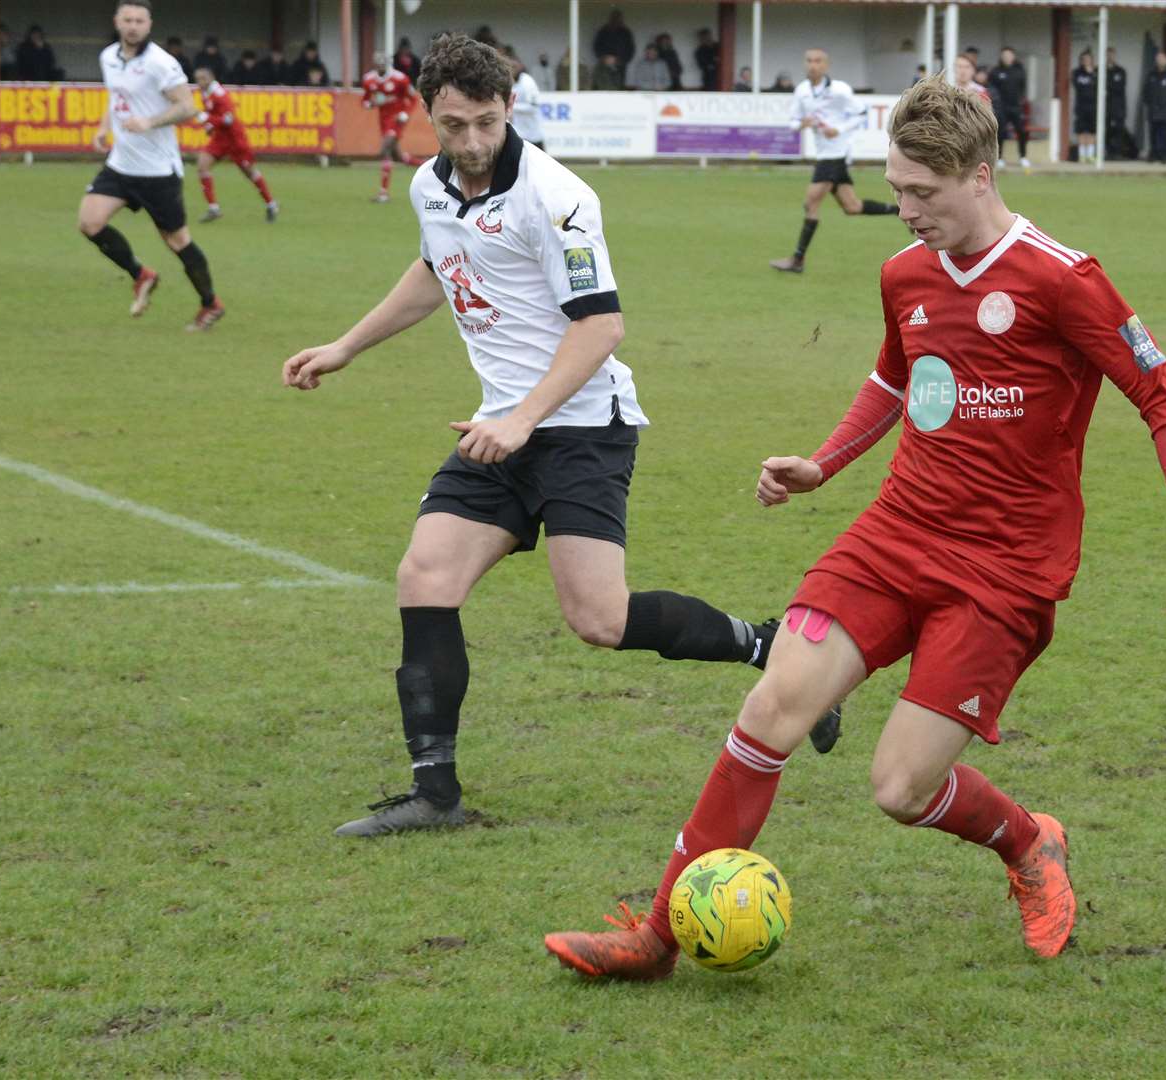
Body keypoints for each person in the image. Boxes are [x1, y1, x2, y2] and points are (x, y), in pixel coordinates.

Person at [544, 74, 1166, 982]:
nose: (904, 211)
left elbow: (1163, 393)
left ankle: (1030, 843)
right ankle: (658, 936)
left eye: (923, 193)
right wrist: (823, 463)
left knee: (899, 788)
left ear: (981, 176)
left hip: (1004, 572)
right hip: (896, 535)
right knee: (771, 706)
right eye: (897, 188)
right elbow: (895, 379)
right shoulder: (903, 272)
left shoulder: (1063, 280)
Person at [281, 34, 841, 839]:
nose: (471, 143)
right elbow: (439, 268)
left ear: (510, 108)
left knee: (599, 620)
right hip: (499, 429)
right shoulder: (428, 188)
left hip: (582, 429)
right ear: (427, 116)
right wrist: (345, 346)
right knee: (425, 575)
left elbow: (600, 327)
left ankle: (771, 645)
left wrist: (520, 420)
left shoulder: (559, 196)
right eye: (452, 125)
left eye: (484, 122)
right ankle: (435, 795)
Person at [80, 2, 222, 332]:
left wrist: (150, 121)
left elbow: (187, 107)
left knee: (177, 241)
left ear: (149, 24)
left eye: (139, 21)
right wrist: (104, 127)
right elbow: (115, 97)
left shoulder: (161, 63)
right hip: (120, 165)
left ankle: (210, 303)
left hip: (157, 171)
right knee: (89, 222)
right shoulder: (108, 57)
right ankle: (141, 274)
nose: (133, 26)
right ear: (117, 21)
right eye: (127, 20)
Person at [769, 48, 898, 274]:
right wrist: (802, 123)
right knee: (852, 207)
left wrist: (837, 130)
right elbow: (792, 122)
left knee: (811, 204)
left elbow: (860, 113)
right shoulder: (802, 91)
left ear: (826, 65)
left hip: (835, 155)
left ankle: (797, 260)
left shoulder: (840, 90)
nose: (813, 65)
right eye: (809, 60)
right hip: (825, 155)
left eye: (818, 61)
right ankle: (897, 210)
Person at [192, 64, 279, 223]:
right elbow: (215, 116)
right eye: (197, 79)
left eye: (203, 78)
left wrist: (207, 119)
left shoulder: (220, 95)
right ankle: (213, 208)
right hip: (220, 138)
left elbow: (228, 119)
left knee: (249, 171)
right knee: (202, 165)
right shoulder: (205, 92)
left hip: (235, 139)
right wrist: (210, 126)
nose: (199, 82)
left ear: (211, 78)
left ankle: (271, 204)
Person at [364, 52, 421, 202]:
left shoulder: (400, 79)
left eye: (383, 63)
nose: (381, 66)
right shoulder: (369, 80)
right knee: (399, 157)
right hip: (383, 120)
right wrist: (370, 104)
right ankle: (428, 165)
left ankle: (383, 193)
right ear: (375, 64)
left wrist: (405, 113)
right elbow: (365, 100)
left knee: (384, 150)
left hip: (397, 119)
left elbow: (413, 98)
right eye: (378, 63)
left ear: (388, 63)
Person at [987, 46, 1030, 168]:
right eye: (1004, 55)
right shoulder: (996, 71)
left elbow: (1022, 87)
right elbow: (991, 88)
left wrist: (1020, 101)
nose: (1007, 57)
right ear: (1001, 57)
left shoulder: (1019, 70)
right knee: (1001, 132)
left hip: (1016, 107)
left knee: (1021, 131)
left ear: (1013, 56)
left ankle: (1023, 156)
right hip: (1001, 108)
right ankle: (999, 158)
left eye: (1009, 55)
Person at [509, 52, 545, 151]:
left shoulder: (527, 82)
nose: (512, 69)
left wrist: (512, 107)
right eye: (509, 66)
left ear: (521, 66)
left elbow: (533, 107)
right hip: (519, 134)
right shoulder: (509, 82)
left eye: (514, 66)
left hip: (533, 135)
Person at [593, 9, 635, 84]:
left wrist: (620, 60)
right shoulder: (603, 31)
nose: (616, 20)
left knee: (619, 86)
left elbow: (630, 49)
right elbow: (597, 46)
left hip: (620, 64)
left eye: (618, 18)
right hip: (605, 63)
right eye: (614, 18)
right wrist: (604, 58)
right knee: (604, 84)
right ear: (610, 18)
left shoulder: (626, 32)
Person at [1071, 49, 1097, 163]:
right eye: (1084, 59)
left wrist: (1091, 73)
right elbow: (1076, 85)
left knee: (1092, 131)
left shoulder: (1096, 73)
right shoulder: (1077, 72)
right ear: (1081, 61)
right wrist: (1086, 73)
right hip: (1081, 106)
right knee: (1081, 131)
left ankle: (1090, 155)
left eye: (1088, 59)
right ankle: (1082, 155)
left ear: (1092, 60)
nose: (1086, 61)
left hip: (1093, 106)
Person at [1104, 46, 1128, 136]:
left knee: (1118, 132)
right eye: (1108, 55)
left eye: (1112, 55)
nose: (1110, 57)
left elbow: (1120, 87)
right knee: (1105, 131)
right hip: (1105, 107)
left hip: (1118, 107)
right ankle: (1105, 149)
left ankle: (1116, 150)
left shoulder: (1121, 71)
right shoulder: (1100, 70)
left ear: (1115, 56)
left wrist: (1108, 87)